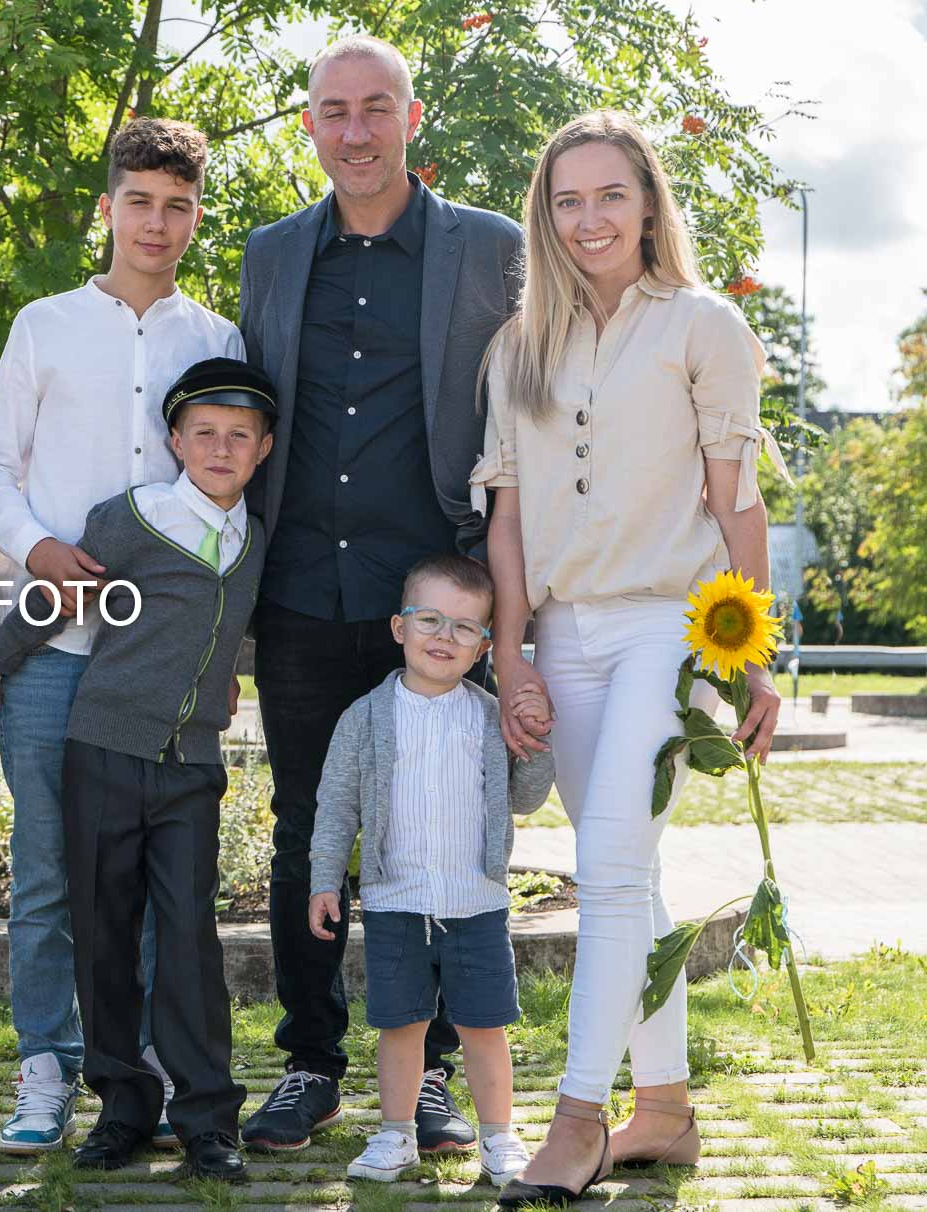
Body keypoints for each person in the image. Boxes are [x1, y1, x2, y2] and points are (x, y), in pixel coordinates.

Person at [469, 110, 785, 1207]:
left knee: (605, 864)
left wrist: (753, 662)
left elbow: (737, 504)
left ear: (649, 203)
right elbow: (508, 518)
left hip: (669, 626)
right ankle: (666, 1113)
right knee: (629, 876)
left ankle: (576, 1121)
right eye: (568, 200)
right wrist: (512, 655)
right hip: (565, 635)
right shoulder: (519, 346)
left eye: (611, 194)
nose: (590, 218)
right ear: (545, 217)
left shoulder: (705, 326)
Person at [235, 33, 524, 1153]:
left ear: (411, 118)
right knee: (306, 828)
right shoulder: (270, 254)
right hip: (303, 591)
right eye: (333, 110)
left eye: (375, 108)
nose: (354, 131)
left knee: (435, 829)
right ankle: (311, 1063)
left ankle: (431, 1073)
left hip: (438, 604)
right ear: (310, 123)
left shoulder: (489, 249)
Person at [0, 115, 243, 1156]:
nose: (157, 223)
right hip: (53, 650)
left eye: (178, 207)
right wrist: (35, 547)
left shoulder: (216, 339)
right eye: (139, 202)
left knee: (146, 888)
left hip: (157, 666)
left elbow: (227, 496)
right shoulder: (44, 325)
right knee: (49, 872)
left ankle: (139, 1074)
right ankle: (45, 1063)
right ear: (108, 208)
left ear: (196, 217)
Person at [0, 357, 277, 1183]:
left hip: (192, 766)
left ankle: (206, 1120)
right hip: (103, 750)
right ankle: (122, 1110)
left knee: (188, 937)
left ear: (263, 449)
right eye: (203, 433)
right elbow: (55, 598)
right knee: (103, 932)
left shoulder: (255, 538)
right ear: (174, 441)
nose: (220, 449)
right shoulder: (134, 516)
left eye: (238, 436)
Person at [306, 554, 553, 1187]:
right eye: (430, 620)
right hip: (396, 902)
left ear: (483, 647)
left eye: (465, 627)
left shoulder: (490, 715)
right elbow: (336, 806)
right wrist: (325, 879)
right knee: (400, 1026)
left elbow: (526, 798)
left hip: (477, 902)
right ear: (400, 627)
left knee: (484, 1027)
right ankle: (396, 1135)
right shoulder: (365, 717)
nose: (445, 636)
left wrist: (537, 737)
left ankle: (499, 1137)